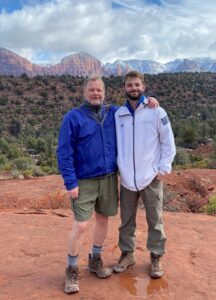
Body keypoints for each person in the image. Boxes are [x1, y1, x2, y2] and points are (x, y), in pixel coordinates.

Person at [57, 74, 159, 294]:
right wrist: (70, 182)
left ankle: (95, 259)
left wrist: (149, 100)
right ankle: (72, 269)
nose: (96, 93)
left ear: (105, 93)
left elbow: (134, 108)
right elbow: (64, 152)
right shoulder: (73, 117)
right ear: (84, 92)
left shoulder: (113, 113)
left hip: (108, 178)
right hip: (83, 181)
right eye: (92, 90)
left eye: (99, 90)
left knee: (103, 220)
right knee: (82, 224)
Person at [113, 71, 176, 278]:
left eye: (137, 85)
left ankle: (156, 257)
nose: (134, 88)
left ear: (143, 86)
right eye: (130, 85)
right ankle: (127, 254)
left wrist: (163, 167)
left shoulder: (156, 111)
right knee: (126, 221)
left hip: (150, 177)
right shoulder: (118, 114)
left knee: (155, 219)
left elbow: (168, 141)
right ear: (124, 88)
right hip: (127, 179)